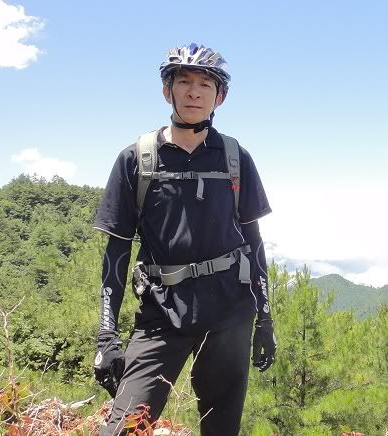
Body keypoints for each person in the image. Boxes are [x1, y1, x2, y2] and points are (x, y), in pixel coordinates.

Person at [92, 43, 276, 436]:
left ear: (219, 97)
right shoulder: (136, 159)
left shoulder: (235, 157)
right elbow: (117, 250)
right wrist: (107, 335)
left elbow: (254, 240)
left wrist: (265, 318)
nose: (195, 92)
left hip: (229, 312)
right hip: (161, 312)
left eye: (206, 84)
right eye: (184, 82)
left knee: (220, 429)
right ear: (167, 91)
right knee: (122, 428)